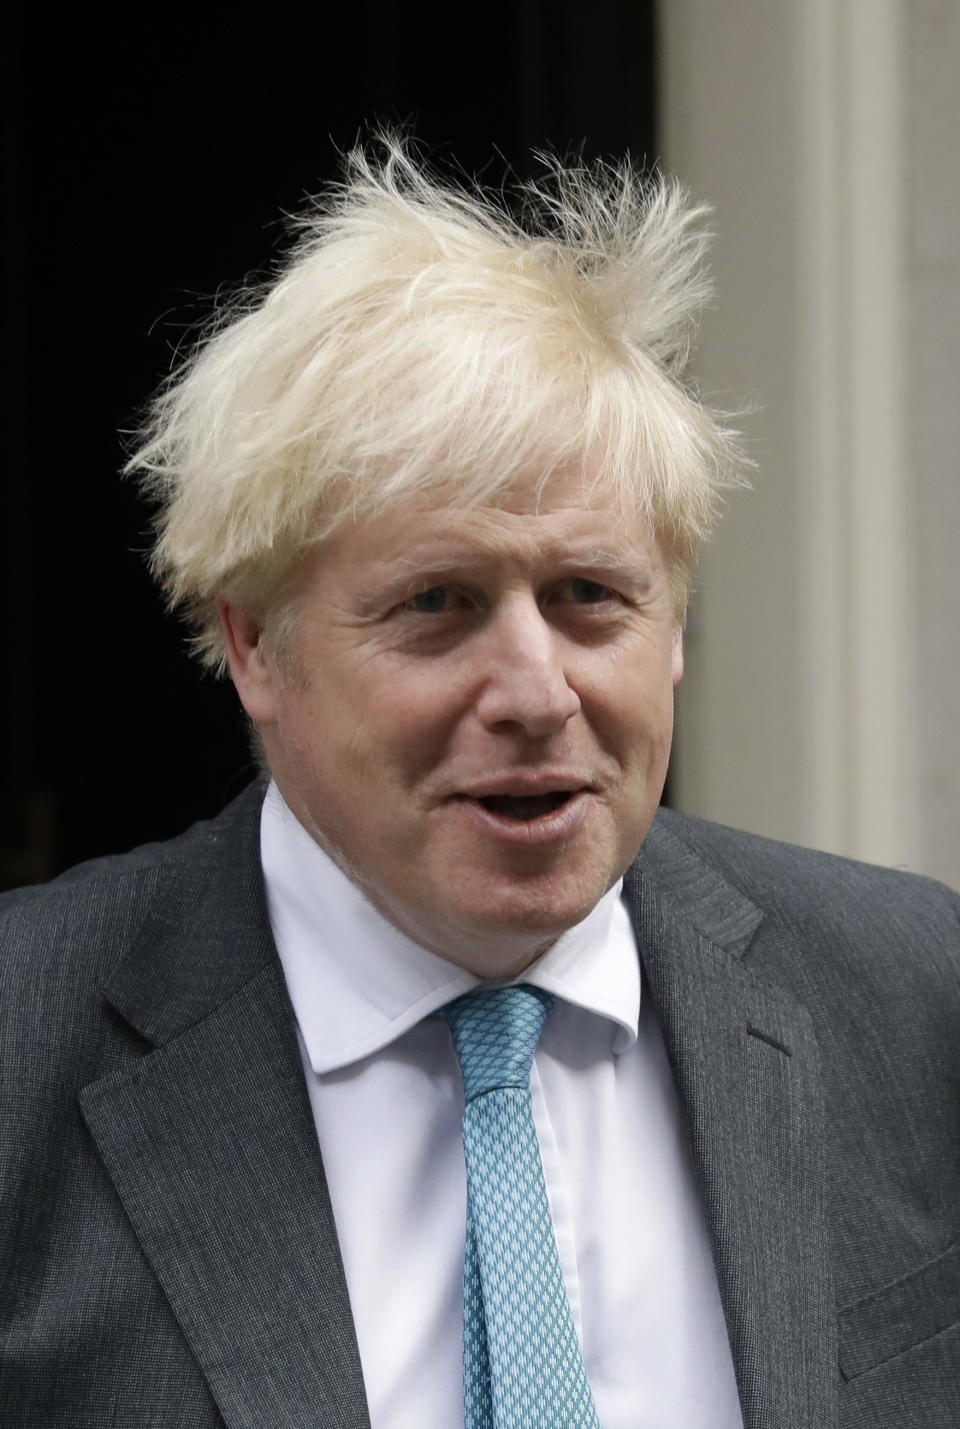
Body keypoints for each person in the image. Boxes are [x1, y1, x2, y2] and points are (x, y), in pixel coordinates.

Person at [1, 138, 957, 1429]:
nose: (535, 690)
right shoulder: (25, 1049)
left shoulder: (912, 997)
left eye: (590, 599)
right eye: (437, 605)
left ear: (674, 626)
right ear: (252, 644)